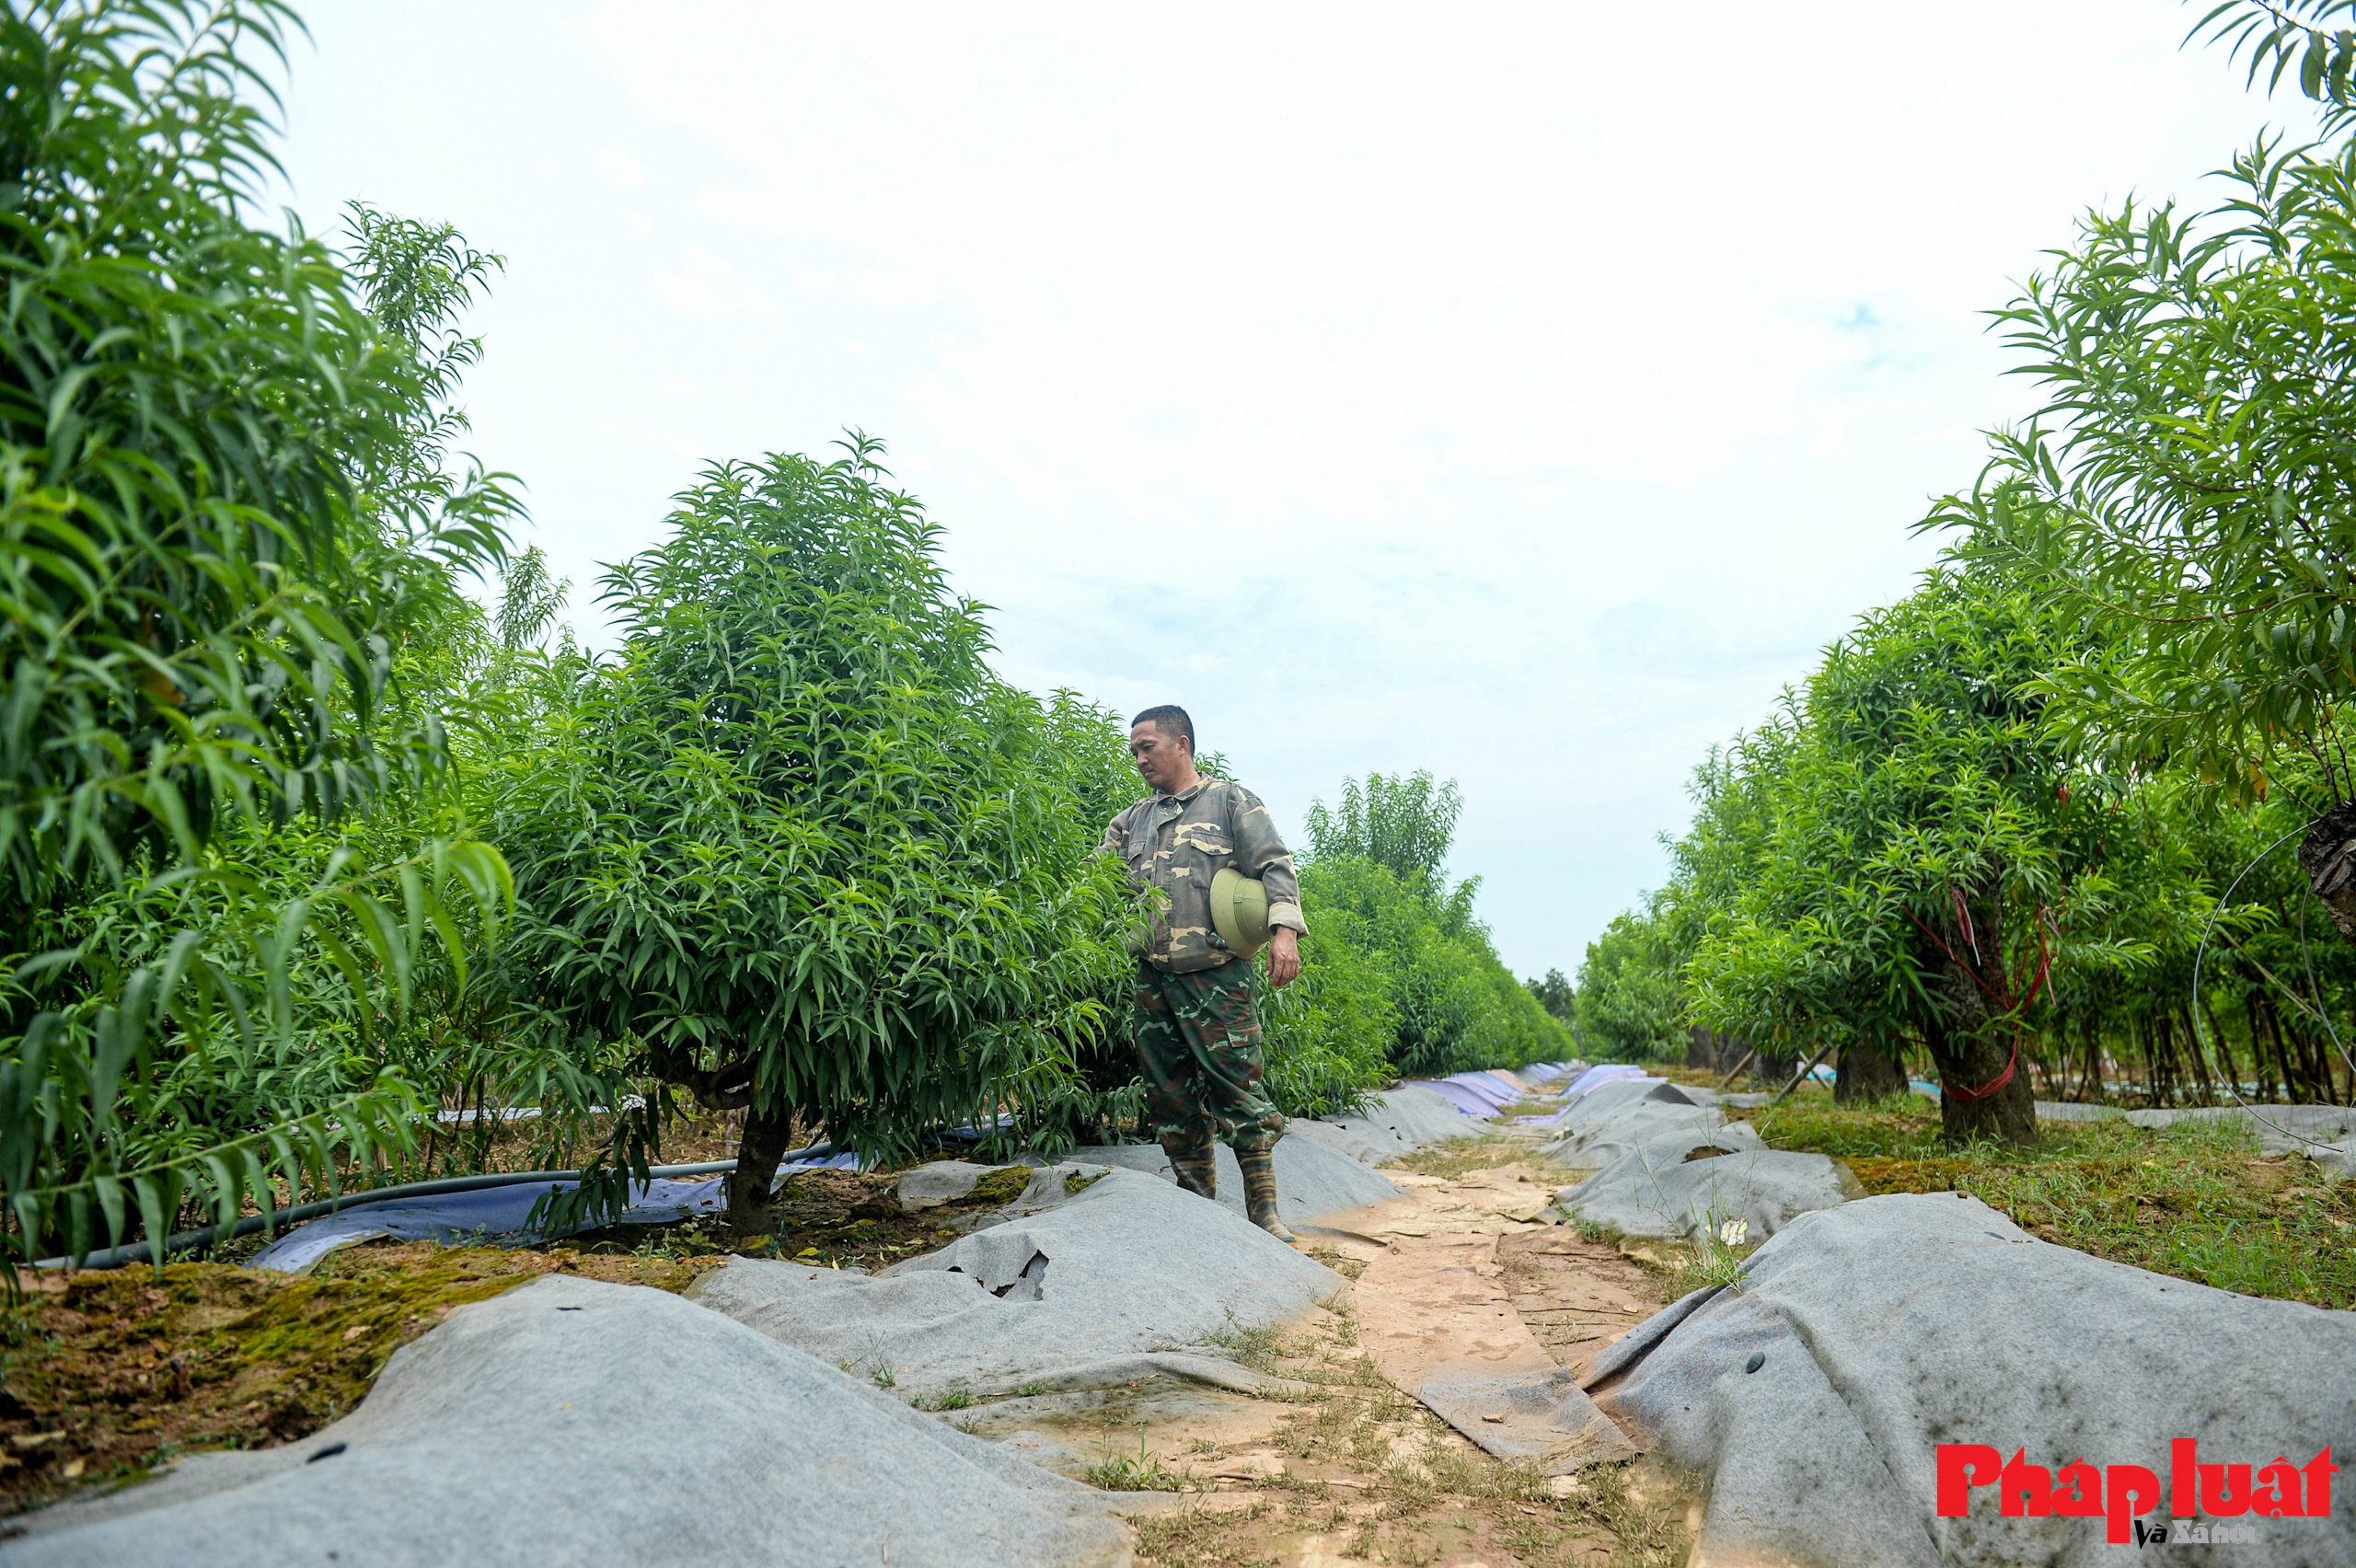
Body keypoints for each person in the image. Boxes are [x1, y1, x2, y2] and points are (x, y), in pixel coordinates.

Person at [1100, 704, 1306, 1241]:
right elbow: (1096, 886)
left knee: (1238, 1089)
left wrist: (1284, 933)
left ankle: (1265, 1215)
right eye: (1135, 749)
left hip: (1218, 975)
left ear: (1182, 744)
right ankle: (1199, 1213)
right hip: (1155, 979)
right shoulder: (1130, 822)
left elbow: (1275, 865)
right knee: (1169, 1098)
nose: (1139, 757)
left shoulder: (1231, 802)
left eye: (1148, 746)